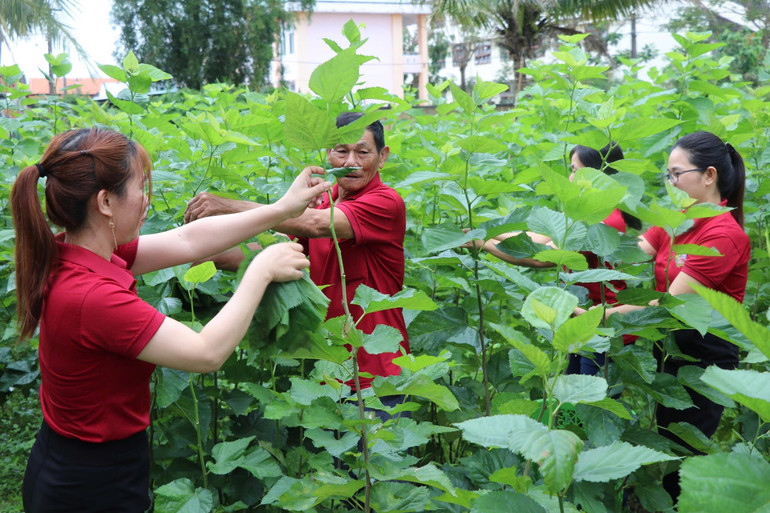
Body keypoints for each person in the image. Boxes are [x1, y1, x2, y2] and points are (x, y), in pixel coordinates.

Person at [12, 127, 331, 513]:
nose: (145, 198)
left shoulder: (79, 253)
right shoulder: (91, 297)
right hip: (87, 484)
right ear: (106, 202)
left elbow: (188, 241)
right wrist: (260, 270)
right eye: (139, 187)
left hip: (87, 464)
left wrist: (282, 209)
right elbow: (205, 352)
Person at [185, 112, 409, 396]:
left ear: (382, 156)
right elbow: (278, 253)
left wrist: (227, 206)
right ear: (328, 154)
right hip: (330, 374)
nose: (350, 162)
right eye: (341, 151)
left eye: (363, 152)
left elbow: (314, 225)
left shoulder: (386, 202)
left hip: (379, 377)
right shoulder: (323, 200)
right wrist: (203, 256)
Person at [583, 131, 749, 503]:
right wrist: (588, 222)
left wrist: (604, 315)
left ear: (708, 175)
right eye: (667, 175)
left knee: (686, 459)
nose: (670, 182)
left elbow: (671, 303)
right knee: (667, 436)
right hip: (669, 346)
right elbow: (628, 252)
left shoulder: (724, 234)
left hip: (706, 358)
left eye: (676, 174)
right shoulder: (676, 220)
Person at [469, 142, 640, 375]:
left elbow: (540, 258)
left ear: (597, 173)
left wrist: (482, 243)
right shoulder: (586, 209)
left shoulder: (602, 220)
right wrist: (485, 231)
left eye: (575, 171)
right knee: (572, 390)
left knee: (588, 393)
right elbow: (539, 239)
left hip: (604, 326)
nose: (570, 178)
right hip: (579, 320)